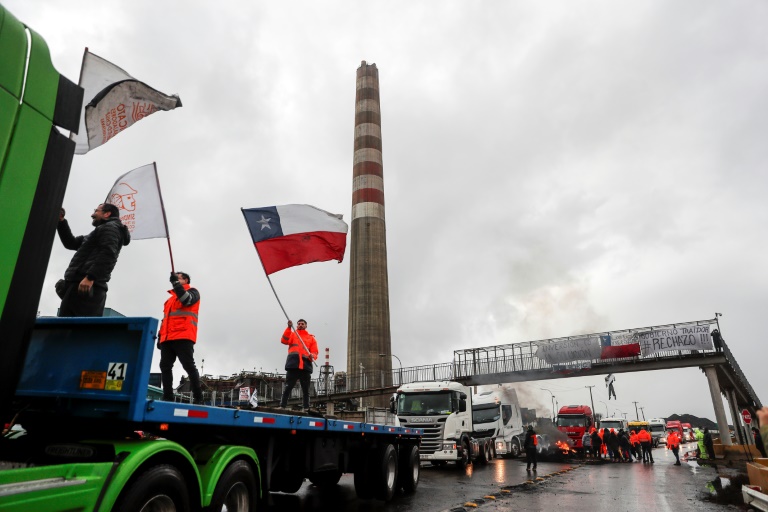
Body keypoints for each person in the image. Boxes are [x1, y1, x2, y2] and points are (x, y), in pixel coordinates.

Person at [56, 204, 130, 316]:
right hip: (81, 285)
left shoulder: (110, 228)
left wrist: (90, 277)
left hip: (86, 286)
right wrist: (61, 221)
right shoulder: (100, 231)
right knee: (67, 329)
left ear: (107, 214)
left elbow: (108, 254)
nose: (92, 214)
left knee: (71, 331)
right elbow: (71, 243)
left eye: (96, 211)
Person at [158, 272, 203, 404]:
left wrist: (176, 285)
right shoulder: (170, 299)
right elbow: (165, 320)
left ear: (185, 280)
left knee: (188, 366)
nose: (175, 279)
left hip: (183, 336)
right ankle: (167, 397)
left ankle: (199, 398)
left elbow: (186, 300)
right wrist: (161, 336)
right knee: (165, 366)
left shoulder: (193, 292)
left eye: (178, 277)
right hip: (168, 338)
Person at [279, 319, 319, 409]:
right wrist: (289, 327)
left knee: (306, 390)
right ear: (296, 325)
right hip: (293, 365)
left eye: (302, 324)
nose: (300, 325)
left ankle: (306, 408)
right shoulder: (293, 334)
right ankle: (282, 406)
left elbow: (315, 351)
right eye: (299, 324)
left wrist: (312, 355)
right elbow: (284, 340)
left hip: (305, 366)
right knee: (288, 387)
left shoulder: (311, 338)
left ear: (306, 325)